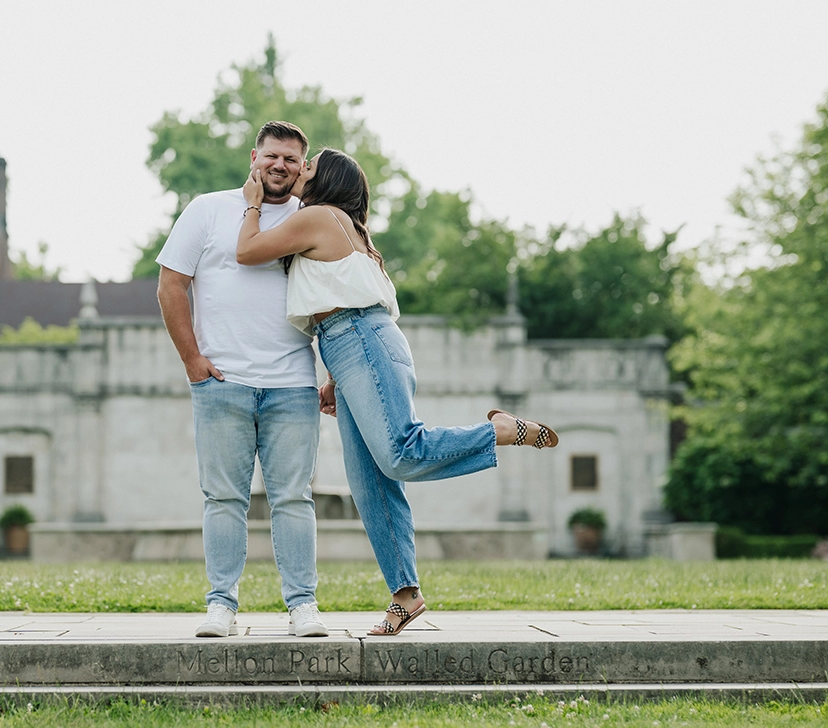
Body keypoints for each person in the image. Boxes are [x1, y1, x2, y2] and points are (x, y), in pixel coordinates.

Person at [236, 148, 560, 636]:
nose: (298, 170)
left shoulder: (320, 216)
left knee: (400, 454)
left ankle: (495, 432)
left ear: (327, 180)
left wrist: (252, 204)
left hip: (361, 341)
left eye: (308, 165)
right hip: (352, 346)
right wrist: (336, 377)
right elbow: (339, 301)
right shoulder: (344, 226)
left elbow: (247, 251)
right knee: (370, 483)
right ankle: (405, 596)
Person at [157, 121, 329, 638]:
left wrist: (334, 374)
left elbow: (339, 298)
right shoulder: (208, 209)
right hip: (222, 383)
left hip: (293, 385)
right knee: (223, 499)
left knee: (294, 498)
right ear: (254, 157)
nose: (280, 166)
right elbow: (170, 286)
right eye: (272, 156)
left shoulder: (314, 219)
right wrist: (193, 361)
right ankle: (221, 606)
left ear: (303, 168)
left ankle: (303, 607)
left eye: (292, 160)